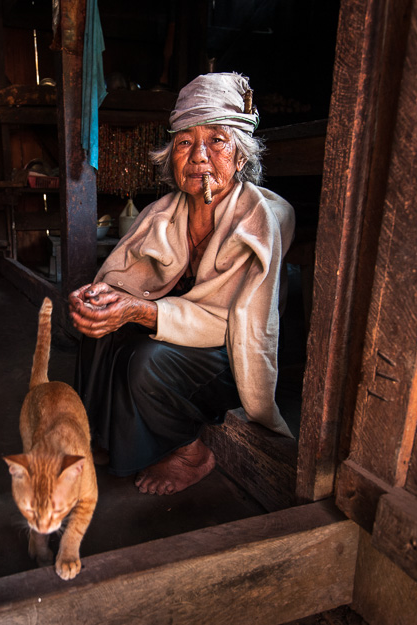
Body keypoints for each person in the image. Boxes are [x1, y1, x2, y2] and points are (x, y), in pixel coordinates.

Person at [68, 72, 295, 496]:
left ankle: (191, 452)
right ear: (171, 155)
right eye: (186, 143)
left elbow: (228, 323)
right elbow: (126, 278)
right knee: (101, 331)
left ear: (241, 157)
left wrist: (139, 311)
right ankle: (103, 436)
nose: (200, 157)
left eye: (217, 141)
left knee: (147, 358)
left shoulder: (258, 221)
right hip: (181, 329)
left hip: (229, 350)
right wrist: (103, 299)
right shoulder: (163, 212)